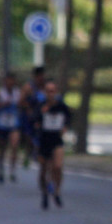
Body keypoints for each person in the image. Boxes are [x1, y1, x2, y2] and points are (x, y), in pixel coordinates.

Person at [36, 80, 72, 210]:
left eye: (52, 91)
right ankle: (45, 193)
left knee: (57, 166)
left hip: (57, 139)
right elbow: (35, 121)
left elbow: (68, 119)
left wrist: (65, 128)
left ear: (56, 92)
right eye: (48, 91)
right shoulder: (41, 106)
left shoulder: (62, 106)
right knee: (44, 169)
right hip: (44, 140)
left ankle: (57, 191)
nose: (50, 94)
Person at [0, 72, 22, 184]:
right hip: (2, 123)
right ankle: (1, 170)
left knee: (14, 146)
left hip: (14, 123)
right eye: (8, 80)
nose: (10, 83)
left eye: (12, 80)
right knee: (2, 148)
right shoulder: (1, 93)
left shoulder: (17, 93)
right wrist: (3, 104)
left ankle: (12, 171)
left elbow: (22, 105)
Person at [19, 66, 47, 167]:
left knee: (40, 136)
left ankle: (38, 154)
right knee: (29, 138)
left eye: (43, 76)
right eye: (39, 76)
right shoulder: (28, 87)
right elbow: (20, 101)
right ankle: (28, 154)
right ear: (36, 76)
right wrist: (28, 108)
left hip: (41, 117)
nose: (41, 78)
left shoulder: (45, 87)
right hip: (29, 117)